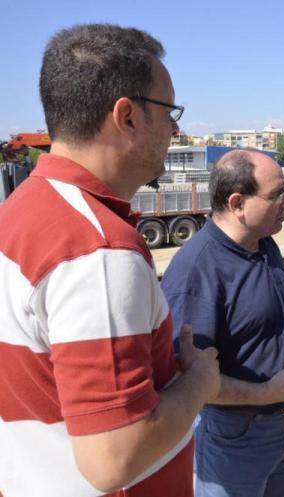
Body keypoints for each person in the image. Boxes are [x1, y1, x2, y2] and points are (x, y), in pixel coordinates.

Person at [0, 24, 220, 496]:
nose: (175, 129)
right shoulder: (96, 252)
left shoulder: (22, 209)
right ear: (127, 117)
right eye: (169, 111)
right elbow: (114, 458)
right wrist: (200, 381)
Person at [161, 149, 284, 497]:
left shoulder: (263, 244)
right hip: (235, 440)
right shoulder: (198, 271)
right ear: (237, 203)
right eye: (277, 195)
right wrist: (269, 392)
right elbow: (185, 380)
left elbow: (266, 308)